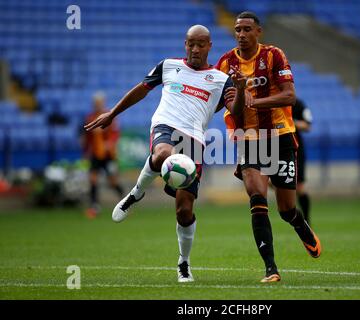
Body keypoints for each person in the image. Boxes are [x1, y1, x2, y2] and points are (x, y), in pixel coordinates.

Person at [84, 25, 246, 282]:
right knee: (162, 154)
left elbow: (235, 111)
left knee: (184, 211)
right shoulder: (168, 66)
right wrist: (112, 113)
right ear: (185, 44)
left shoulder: (220, 79)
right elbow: (141, 89)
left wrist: (241, 89)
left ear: (209, 46)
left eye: (200, 44)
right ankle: (136, 193)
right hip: (165, 125)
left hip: (194, 141)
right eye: (190, 44)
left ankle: (184, 262)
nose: (195, 49)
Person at [216, 11, 321, 283]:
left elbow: (289, 95)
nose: (241, 34)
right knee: (257, 198)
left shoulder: (274, 55)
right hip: (248, 139)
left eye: (247, 29)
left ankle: (301, 225)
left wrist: (254, 102)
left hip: (280, 136)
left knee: (286, 209)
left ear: (258, 32)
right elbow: (216, 101)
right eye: (238, 29)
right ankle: (271, 269)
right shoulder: (225, 63)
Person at [81, 91, 124, 219]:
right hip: (95, 154)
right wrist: (85, 151)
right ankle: (94, 207)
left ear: (103, 103)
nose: (98, 104)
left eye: (100, 102)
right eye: (96, 102)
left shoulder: (110, 116)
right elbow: (87, 136)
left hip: (108, 155)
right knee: (93, 179)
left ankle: (126, 203)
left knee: (112, 181)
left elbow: (115, 133)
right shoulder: (90, 118)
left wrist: (110, 143)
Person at [292, 99, 313, 225]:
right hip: (273, 147)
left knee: (299, 187)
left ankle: (306, 221)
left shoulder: (298, 104)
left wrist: (290, 123)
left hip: (296, 149)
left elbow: (307, 125)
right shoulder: (270, 101)